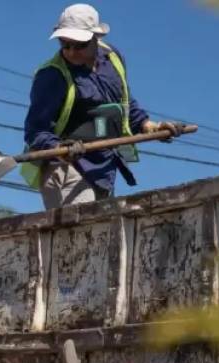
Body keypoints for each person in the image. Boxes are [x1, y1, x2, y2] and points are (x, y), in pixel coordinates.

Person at [23, 4, 185, 209]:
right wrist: (59, 148)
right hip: (66, 168)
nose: (71, 52)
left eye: (79, 45)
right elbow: (35, 131)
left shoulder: (113, 58)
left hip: (103, 166)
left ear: (95, 38)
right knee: (80, 230)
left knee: (100, 231)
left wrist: (149, 125)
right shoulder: (51, 76)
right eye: (65, 45)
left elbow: (123, 102)